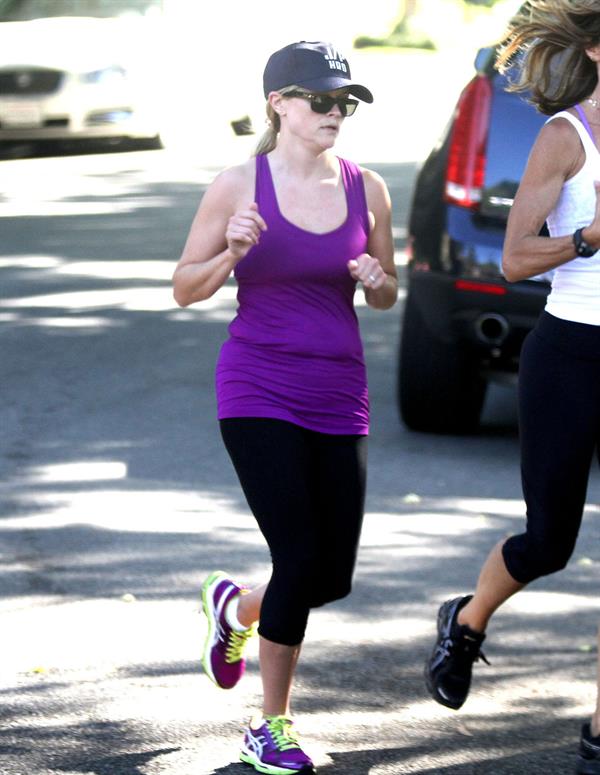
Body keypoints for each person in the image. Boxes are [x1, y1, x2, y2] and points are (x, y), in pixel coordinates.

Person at [172, 40, 397, 775]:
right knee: (298, 555)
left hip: (340, 391)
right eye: (322, 100)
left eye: (345, 101)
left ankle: (235, 609)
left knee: (329, 575)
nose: (337, 112)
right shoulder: (238, 184)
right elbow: (185, 287)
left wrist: (376, 277)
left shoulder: (369, 189)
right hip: (258, 386)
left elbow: (391, 288)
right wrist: (231, 251)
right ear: (279, 104)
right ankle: (270, 726)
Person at [423, 2, 600, 772]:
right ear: (595, 50)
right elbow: (515, 259)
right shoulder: (567, 137)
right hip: (570, 354)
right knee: (548, 543)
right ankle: (466, 619)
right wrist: (591, 236)